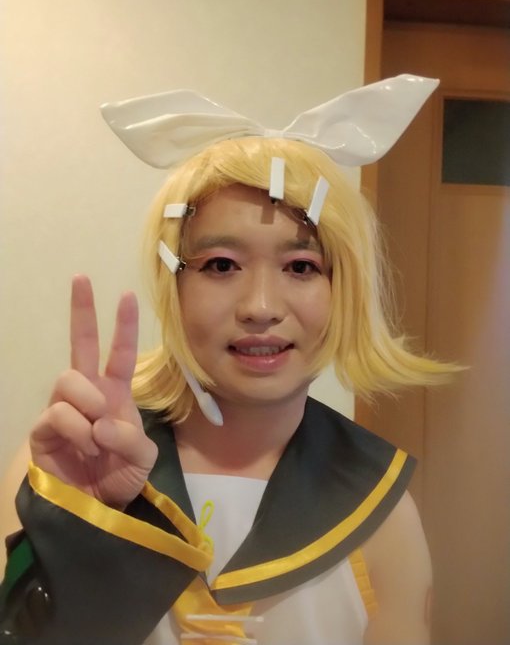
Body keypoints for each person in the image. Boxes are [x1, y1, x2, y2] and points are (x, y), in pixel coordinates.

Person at [0, 76, 458, 645]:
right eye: (220, 265)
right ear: (173, 281)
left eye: (301, 267)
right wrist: (78, 532)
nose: (261, 307)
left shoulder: (381, 511)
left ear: (345, 288)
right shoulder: (71, 461)